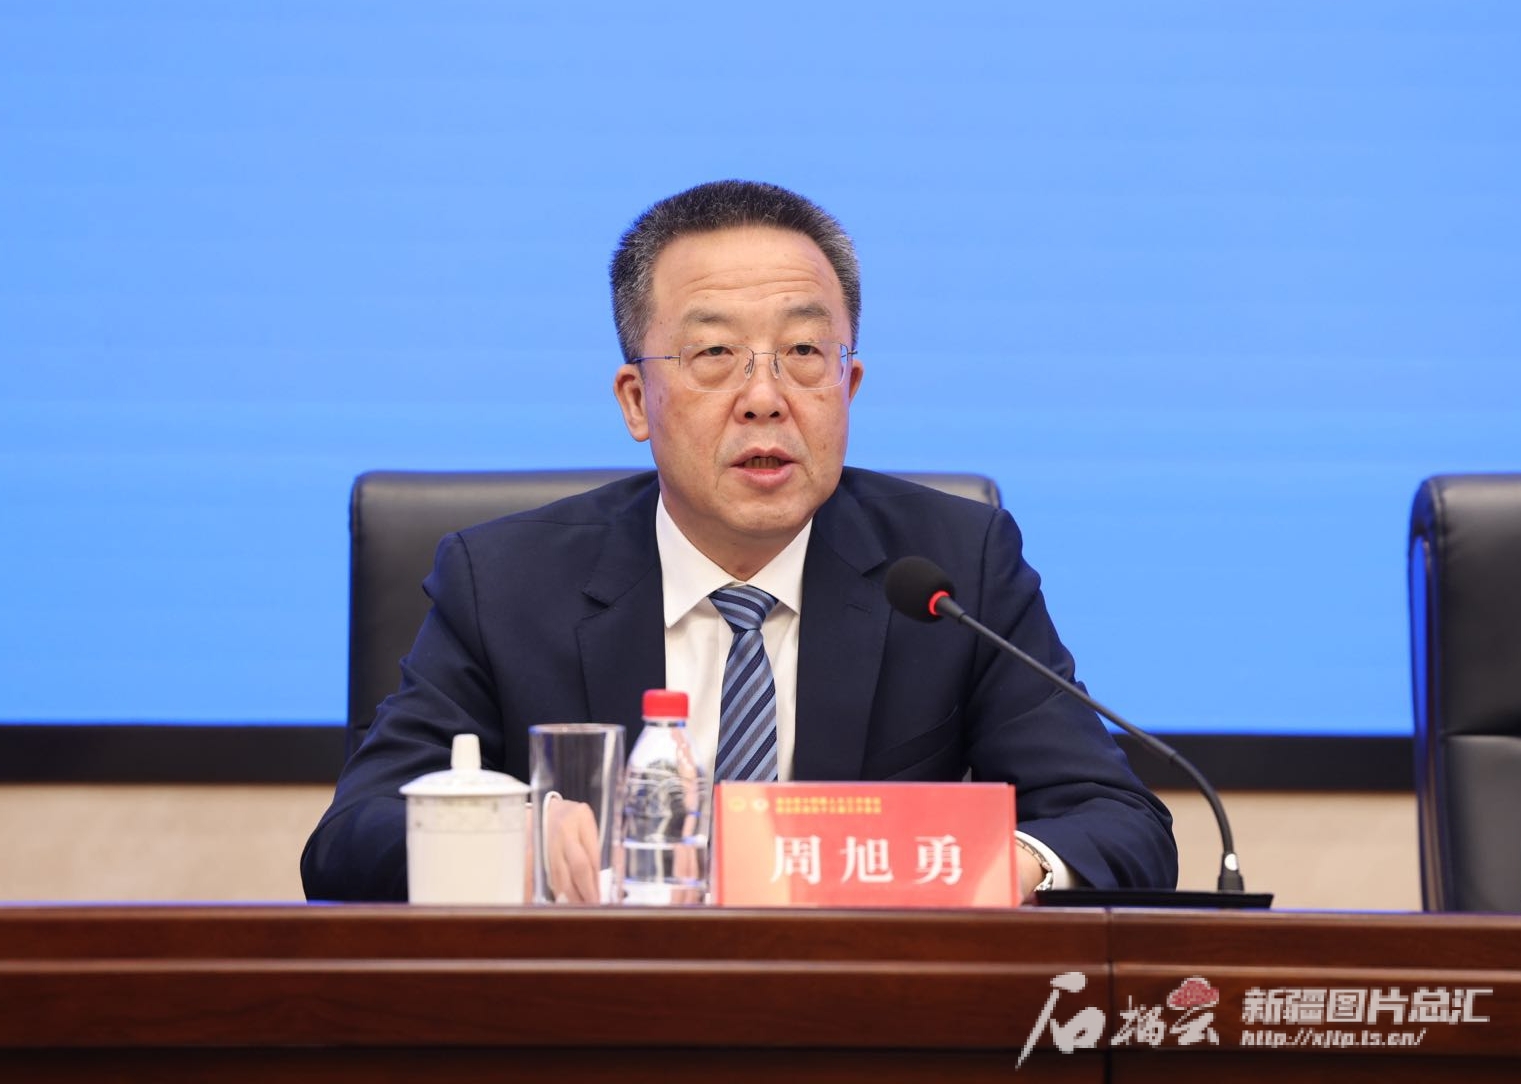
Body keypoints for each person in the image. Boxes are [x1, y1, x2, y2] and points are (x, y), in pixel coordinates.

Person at [301, 180, 1177, 903]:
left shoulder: (953, 567)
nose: (765, 398)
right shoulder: (504, 581)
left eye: (803, 352)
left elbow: (1116, 823)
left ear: (847, 387)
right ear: (636, 401)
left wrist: (994, 867)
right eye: (715, 353)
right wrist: (510, 839)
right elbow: (349, 840)